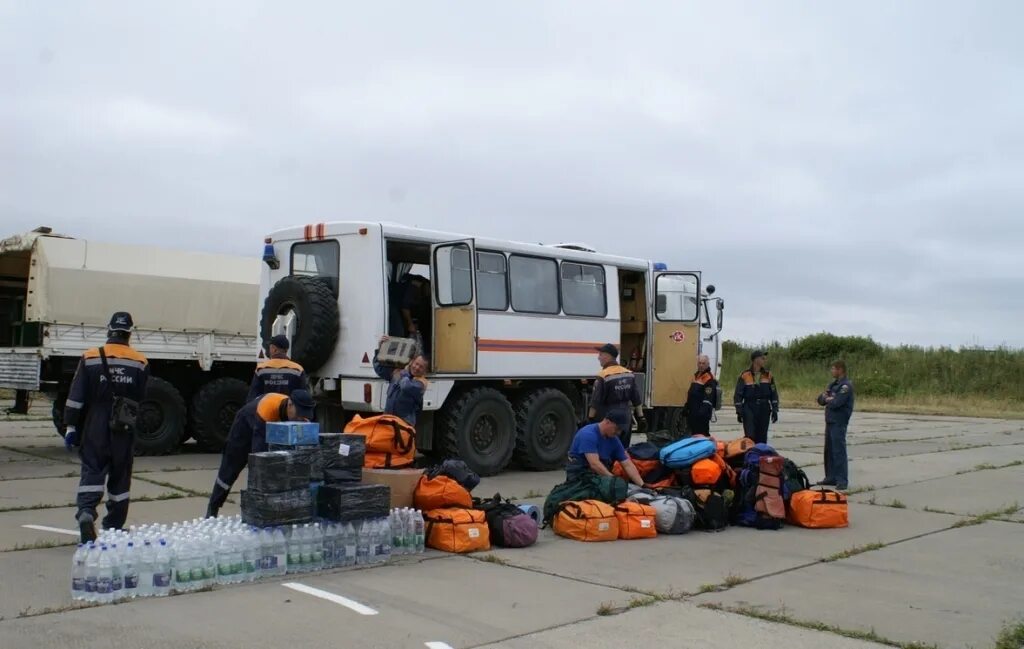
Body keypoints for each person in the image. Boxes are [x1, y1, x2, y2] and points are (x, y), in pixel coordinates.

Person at [63, 312, 149, 543]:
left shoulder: (90, 357)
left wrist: (71, 426)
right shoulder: (140, 361)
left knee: (93, 468)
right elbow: (141, 396)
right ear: (130, 333)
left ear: (108, 329)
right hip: (124, 423)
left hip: (96, 422)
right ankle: (113, 526)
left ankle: (87, 512)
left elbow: (76, 397)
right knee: (121, 475)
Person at [206, 389, 316, 518]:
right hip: (244, 429)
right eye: (299, 414)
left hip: (267, 428)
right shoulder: (266, 410)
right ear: (290, 404)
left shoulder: (297, 412)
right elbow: (259, 453)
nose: (300, 418)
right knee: (230, 469)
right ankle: (213, 508)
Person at [565, 410, 646, 487]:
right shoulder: (588, 435)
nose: (618, 433)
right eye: (617, 429)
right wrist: (613, 481)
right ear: (607, 422)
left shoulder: (613, 439)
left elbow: (627, 464)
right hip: (580, 473)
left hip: (598, 474)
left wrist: (642, 485)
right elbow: (594, 464)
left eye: (620, 430)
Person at [588, 343, 644, 448]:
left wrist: (590, 419)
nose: (598, 358)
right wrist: (641, 417)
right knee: (623, 450)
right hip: (626, 417)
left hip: (610, 417)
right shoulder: (628, 373)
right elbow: (636, 398)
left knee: (608, 449)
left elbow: (595, 401)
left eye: (600, 354)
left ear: (607, 356)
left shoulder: (604, 375)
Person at [373, 335, 430, 427]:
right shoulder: (398, 373)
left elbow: (405, 386)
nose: (417, 367)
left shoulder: (420, 384)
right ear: (411, 362)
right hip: (388, 420)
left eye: (421, 367)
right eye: (416, 364)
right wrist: (380, 350)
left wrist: (404, 371)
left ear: (425, 371)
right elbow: (379, 369)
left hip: (404, 425)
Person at [816, 360, 854, 491]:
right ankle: (831, 477)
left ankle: (842, 480)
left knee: (839, 451)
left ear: (840, 370)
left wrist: (829, 399)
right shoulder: (833, 385)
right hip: (830, 421)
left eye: (833, 369)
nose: (832, 371)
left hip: (839, 421)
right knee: (829, 451)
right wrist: (827, 399)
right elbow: (820, 399)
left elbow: (837, 402)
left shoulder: (846, 386)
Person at [734, 350, 779, 444]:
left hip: (764, 408)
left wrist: (775, 409)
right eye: (762, 358)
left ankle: (760, 456)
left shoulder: (768, 375)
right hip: (749, 407)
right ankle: (750, 456)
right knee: (750, 436)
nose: (764, 360)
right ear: (755, 360)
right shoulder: (745, 375)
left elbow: (774, 394)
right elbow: (738, 394)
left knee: (762, 437)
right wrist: (739, 411)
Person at [246, 334, 308, 402]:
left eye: (270, 347)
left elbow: (252, 398)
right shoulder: (298, 370)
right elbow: (304, 399)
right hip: (287, 411)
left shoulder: (261, 369)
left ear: (274, 349)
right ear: (286, 350)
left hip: (266, 411)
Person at [685, 354, 718, 436]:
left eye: (703, 363)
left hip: (702, 413)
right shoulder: (696, 375)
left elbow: (708, 397)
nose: (701, 365)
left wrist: (702, 412)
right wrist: (687, 406)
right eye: (699, 363)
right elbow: (691, 393)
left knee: (702, 434)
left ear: (708, 364)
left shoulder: (709, 378)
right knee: (694, 434)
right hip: (693, 411)